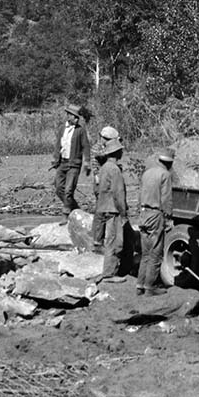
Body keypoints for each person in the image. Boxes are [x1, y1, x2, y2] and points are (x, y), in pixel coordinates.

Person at [137, 147, 175, 296]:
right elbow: (166, 199)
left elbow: (140, 194)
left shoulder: (147, 173)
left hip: (143, 213)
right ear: (170, 163)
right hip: (155, 214)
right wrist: (169, 217)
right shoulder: (165, 175)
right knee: (156, 252)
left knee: (145, 253)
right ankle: (150, 286)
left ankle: (140, 285)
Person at [95, 137, 128, 281]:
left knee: (110, 240)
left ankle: (111, 271)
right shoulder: (115, 170)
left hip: (103, 207)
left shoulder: (104, 168)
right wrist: (124, 212)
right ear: (117, 152)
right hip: (113, 209)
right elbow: (118, 193)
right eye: (120, 150)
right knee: (114, 242)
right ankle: (109, 274)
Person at [52, 104, 93, 215]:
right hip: (62, 163)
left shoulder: (80, 130)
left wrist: (87, 162)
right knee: (59, 188)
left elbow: (86, 146)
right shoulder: (62, 129)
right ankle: (75, 208)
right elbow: (58, 144)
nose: (76, 119)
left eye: (77, 117)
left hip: (74, 164)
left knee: (69, 190)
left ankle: (66, 213)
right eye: (74, 117)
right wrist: (55, 158)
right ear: (69, 116)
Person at [86, 125, 120, 253]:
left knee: (105, 210)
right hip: (100, 183)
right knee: (101, 211)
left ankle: (101, 238)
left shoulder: (103, 148)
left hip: (105, 182)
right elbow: (104, 157)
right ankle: (97, 241)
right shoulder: (98, 149)